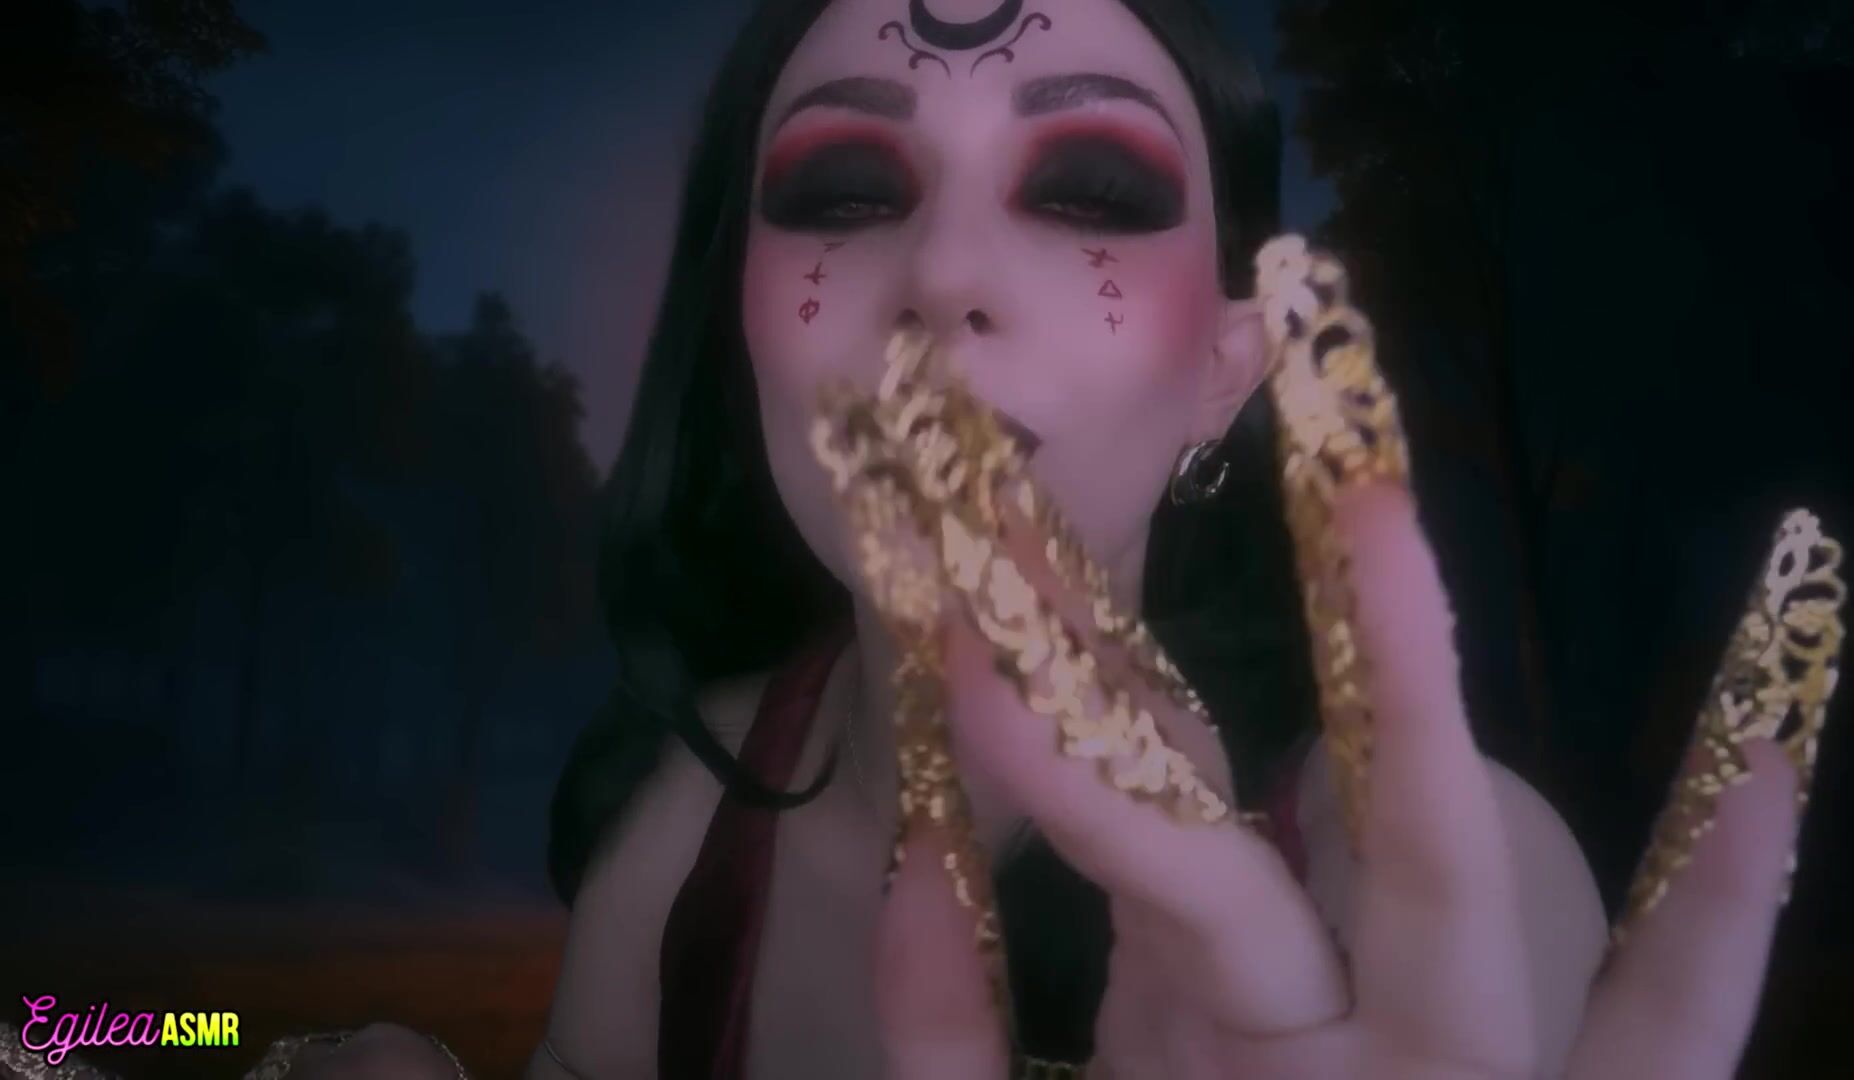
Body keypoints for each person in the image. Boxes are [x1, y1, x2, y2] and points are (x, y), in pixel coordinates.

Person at [298, 0, 1833, 1076]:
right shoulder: (679, 836)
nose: (944, 273)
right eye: (843, 190)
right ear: (735, 331)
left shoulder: (1427, 899)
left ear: (1226, 365)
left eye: (1091, 190)